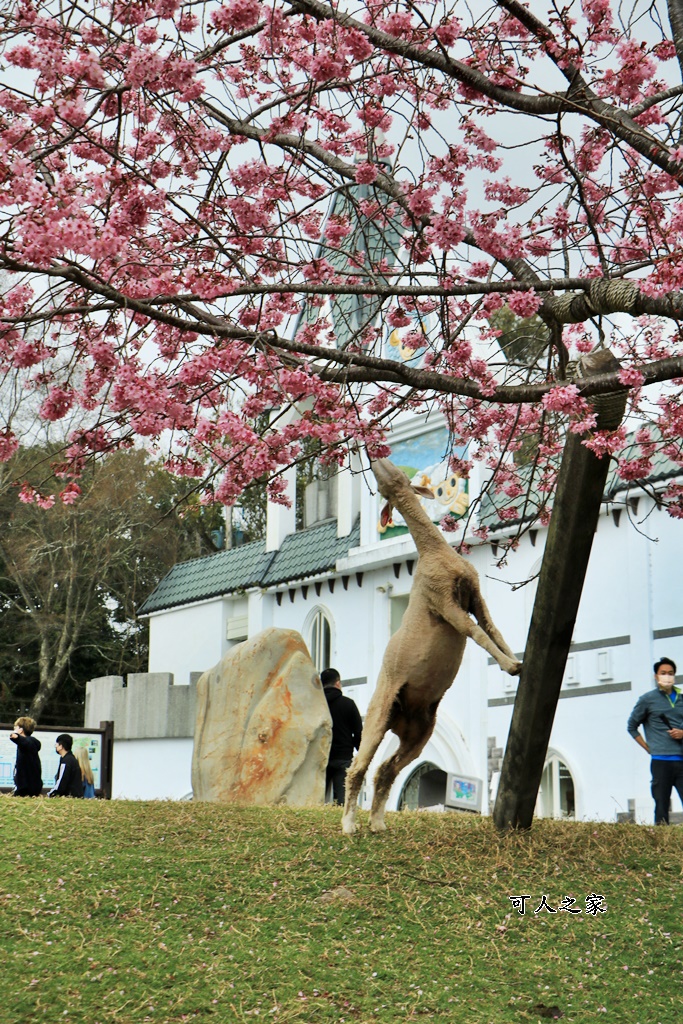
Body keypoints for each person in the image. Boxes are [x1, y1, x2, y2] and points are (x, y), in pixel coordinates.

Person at [627, 657, 683, 824]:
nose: (667, 676)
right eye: (663, 673)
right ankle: (662, 845)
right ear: (656, 676)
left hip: (681, 759)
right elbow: (631, 726)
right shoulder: (647, 699)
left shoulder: (681, 698)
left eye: (670, 673)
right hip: (661, 761)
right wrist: (647, 748)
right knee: (661, 806)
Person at [322, 668, 363, 806]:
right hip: (343, 758)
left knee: (317, 799)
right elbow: (358, 734)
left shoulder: (318, 706)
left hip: (321, 758)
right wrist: (361, 753)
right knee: (343, 801)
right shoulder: (348, 704)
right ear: (338, 683)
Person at [9, 717, 43, 797]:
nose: (14, 729)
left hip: (27, 788)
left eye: (16, 727)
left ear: (21, 730)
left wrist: (17, 737)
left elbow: (26, 742)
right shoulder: (24, 744)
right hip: (26, 787)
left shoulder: (30, 742)